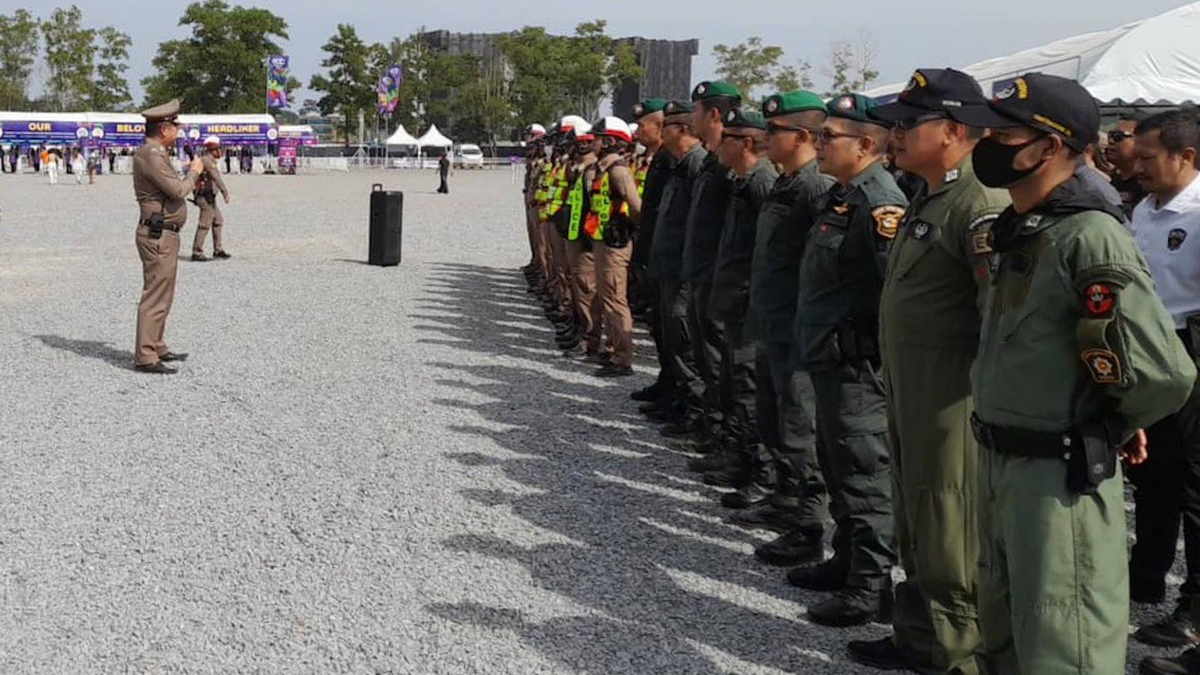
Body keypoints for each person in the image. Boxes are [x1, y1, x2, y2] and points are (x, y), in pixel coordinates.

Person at [951, 73, 1195, 675]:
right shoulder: (1025, 229)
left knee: (1066, 644)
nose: (990, 142)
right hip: (1001, 462)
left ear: (1052, 146)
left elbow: (1162, 374)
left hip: (1058, 479)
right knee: (1005, 639)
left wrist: (1110, 416)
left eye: (1007, 133)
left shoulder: (1090, 236)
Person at [847, 68, 1010, 674]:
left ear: (953, 129)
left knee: (950, 530)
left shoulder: (978, 202)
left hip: (952, 400)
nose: (896, 133)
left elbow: (996, 315)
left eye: (909, 123)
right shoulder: (932, 191)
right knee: (916, 519)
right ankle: (918, 635)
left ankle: (957, 656)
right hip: (912, 391)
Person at [789, 92, 904, 627]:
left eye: (828, 136)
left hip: (857, 367)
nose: (818, 143)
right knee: (837, 465)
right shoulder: (841, 197)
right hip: (828, 358)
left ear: (865, 145)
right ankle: (846, 559)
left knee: (864, 473)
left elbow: (894, 294)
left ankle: (870, 586)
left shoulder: (881, 204)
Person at [737, 90, 834, 569]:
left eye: (773, 131)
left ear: (800, 135)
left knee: (801, 427)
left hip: (798, 329)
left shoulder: (817, 187)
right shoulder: (785, 182)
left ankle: (809, 525)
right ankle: (783, 498)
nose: (764, 137)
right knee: (775, 418)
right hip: (772, 323)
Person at [1127, 109, 1200, 675]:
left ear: (1186, 157)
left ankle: (1193, 607)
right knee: (1151, 472)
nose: (1137, 165)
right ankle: (1145, 575)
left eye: (1149, 157)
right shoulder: (1142, 210)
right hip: (1148, 352)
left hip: (1193, 352)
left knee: (1196, 487)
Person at [706, 108, 777, 503]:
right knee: (737, 382)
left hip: (752, 305)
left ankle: (761, 471)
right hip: (736, 301)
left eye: (729, 137)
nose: (720, 143)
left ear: (747, 143)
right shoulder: (744, 181)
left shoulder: (763, 182)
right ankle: (742, 457)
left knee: (751, 386)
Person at [670, 81, 741, 458]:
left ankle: (725, 437)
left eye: (695, 110)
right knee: (707, 360)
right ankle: (712, 430)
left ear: (713, 113)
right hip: (699, 276)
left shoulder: (733, 167)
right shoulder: (713, 161)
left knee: (722, 365)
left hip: (720, 282)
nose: (689, 118)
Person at [132, 99, 205, 375]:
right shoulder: (151, 154)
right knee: (155, 295)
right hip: (158, 233)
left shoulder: (155, 153)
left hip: (165, 233)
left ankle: (157, 344)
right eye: (175, 127)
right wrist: (193, 172)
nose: (178, 132)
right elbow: (176, 191)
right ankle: (146, 355)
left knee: (164, 293)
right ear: (164, 129)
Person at [648, 100, 708, 434]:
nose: (661, 131)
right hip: (667, 264)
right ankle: (674, 395)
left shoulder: (697, 165)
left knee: (684, 340)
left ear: (682, 130)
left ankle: (694, 411)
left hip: (683, 270)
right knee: (669, 336)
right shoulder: (677, 163)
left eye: (666, 126)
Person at [586, 116, 642, 377]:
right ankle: (612, 349)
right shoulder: (603, 167)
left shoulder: (618, 170)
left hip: (614, 243)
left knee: (615, 299)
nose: (592, 142)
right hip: (602, 240)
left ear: (609, 141)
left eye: (597, 138)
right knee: (606, 297)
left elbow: (636, 207)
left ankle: (623, 357)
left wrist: (627, 229)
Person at [629, 99, 675, 407]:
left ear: (659, 127)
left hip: (670, 257)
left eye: (643, 124)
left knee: (675, 332)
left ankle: (678, 392)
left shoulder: (675, 160)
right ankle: (667, 381)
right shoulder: (656, 158)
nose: (638, 131)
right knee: (658, 325)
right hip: (652, 250)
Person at [192, 136, 231, 262]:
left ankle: (218, 249)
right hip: (204, 196)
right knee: (205, 223)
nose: (221, 151)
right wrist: (225, 192)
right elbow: (216, 177)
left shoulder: (210, 160)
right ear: (213, 149)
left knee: (218, 220)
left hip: (209, 197)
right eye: (219, 148)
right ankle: (197, 252)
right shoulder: (207, 161)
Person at [1104, 113, 1148, 217]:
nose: (1110, 141)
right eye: (1111, 135)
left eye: (1118, 136)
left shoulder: (1149, 184)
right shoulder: (1111, 181)